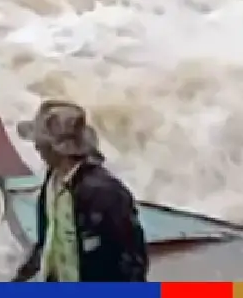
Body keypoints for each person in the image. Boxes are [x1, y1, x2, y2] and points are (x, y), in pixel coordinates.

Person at [9, 100, 147, 282]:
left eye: (41, 142)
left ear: (58, 149)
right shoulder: (52, 182)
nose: (36, 146)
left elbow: (132, 257)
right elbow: (47, 240)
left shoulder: (106, 193)